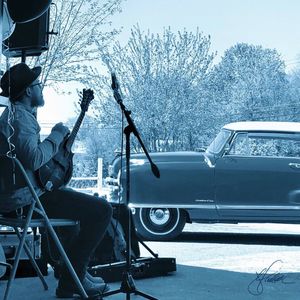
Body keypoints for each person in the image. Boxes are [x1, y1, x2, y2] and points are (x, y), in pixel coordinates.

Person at [0, 63, 113, 298]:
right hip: (26, 201)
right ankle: (72, 280)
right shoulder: (20, 119)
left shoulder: (11, 116)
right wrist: (57, 134)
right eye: (38, 85)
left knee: (75, 207)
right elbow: (33, 159)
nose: (42, 89)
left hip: (18, 198)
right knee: (102, 210)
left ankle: (76, 272)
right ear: (29, 91)